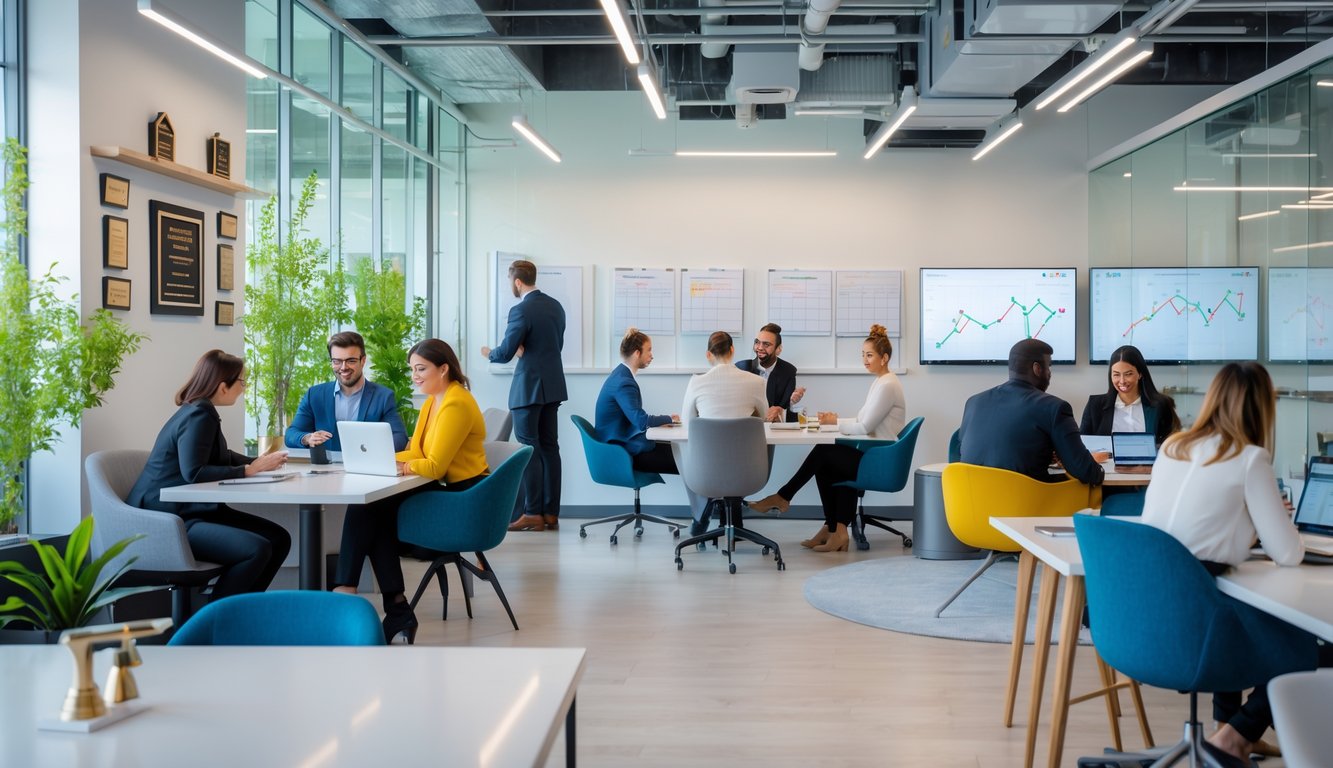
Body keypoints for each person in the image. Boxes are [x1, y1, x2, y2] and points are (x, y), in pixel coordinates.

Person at [1140, 362, 1316, 761]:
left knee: (1233, 606)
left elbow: (1202, 533)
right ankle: (1236, 736)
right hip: (1197, 625)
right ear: (1261, 408)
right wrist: (1269, 517)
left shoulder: (1173, 447)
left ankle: (1228, 727)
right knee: (1307, 646)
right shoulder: (1249, 458)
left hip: (1145, 617)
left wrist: (1249, 518)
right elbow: (1289, 554)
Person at [333, 339, 488, 644]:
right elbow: (413, 450)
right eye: (412, 369)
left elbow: (434, 467)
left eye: (421, 369)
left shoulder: (455, 402)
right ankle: (395, 608)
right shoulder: (433, 400)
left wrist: (401, 467)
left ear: (444, 369)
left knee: (370, 510)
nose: (415, 376)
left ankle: (352, 596)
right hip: (445, 491)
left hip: (464, 501)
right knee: (374, 512)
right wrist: (380, 459)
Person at [127, 349, 292, 600]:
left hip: (191, 511)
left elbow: (220, 455)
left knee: (279, 539)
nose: (244, 388)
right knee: (257, 549)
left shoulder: (199, 410)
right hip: (169, 519)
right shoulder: (198, 415)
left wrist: (258, 462)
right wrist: (249, 470)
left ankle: (242, 612)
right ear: (222, 386)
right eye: (242, 382)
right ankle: (214, 619)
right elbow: (194, 472)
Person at [747, 324, 906, 552]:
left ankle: (784, 497)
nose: (865, 359)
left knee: (825, 454)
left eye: (870, 355)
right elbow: (863, 421)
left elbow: (865, 426)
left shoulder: (888, 385)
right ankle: (832, 529)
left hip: (879, 459)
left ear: (885, 358)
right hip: (874, 453)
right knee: (826, 461)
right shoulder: (881, 382)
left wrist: (834, 423)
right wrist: (835, 421)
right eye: (863, 355)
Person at [482, 259, 567, 533]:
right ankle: (550, 513)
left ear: (517, 282)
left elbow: (505, 352)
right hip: (553, 386)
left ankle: (532, 513)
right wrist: (524, 350)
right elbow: (554, 345)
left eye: (511, 282)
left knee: (528, 449)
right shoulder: (556, 306)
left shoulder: (520, 310)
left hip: (529, 387)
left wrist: (489, 353)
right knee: (550, 448)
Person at [958, 338, 1105, 486]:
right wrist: (1099, 470)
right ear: (1037, 368)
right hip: (1028, 504)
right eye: (1049, 366)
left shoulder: (973, 403)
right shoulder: (1055, 407)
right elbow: (1086, 472)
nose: (1050, 373)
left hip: (975, 504)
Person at [679, 331, 768, 534]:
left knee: (682, 452)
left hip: (706, 471)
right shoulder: (756, 382)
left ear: (708, 355)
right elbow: (763, 418)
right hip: (748, 471)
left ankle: (701, 509)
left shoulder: (696, 382)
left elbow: (687, 422)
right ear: (732, 350)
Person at [284, 330, 408, 453]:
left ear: (363, 361)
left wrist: (370, 448)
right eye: (337, 361)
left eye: (351, 361)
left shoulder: (383, 396)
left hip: (365, 469)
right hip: (324, 470)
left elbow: (399, 438)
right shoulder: (315, 395)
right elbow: (291, 434)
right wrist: (307, 438)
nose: (343, 367)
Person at [595, 328, 678, 474]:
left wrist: (664, 421)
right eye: (649, 350)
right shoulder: (623, 382)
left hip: (619, 443)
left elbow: (637, 419)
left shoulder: (620, 374)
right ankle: (713, 497)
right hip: (618, 452)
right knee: (684, 460)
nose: (652, 356)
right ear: (637, 353)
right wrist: (670, 419)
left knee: (679, 453)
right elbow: (641, 421)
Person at [1080, 344, 1180, 444]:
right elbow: (1081, 446)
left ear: (1140, 374)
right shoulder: (1095, 405)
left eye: (1128, 374)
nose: (1122, 381)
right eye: (1116, 374)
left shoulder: (1161, 405)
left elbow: (1171, 445)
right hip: (1106, 460)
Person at [736, 323, 806, 423]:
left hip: (775, 431)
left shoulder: (788, 371)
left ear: (778, 349)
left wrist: (790, 404)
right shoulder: (741, 368)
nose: (759, 348)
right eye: (757, 342)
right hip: (747, 428)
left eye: (766, 344)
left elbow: (787, 413)